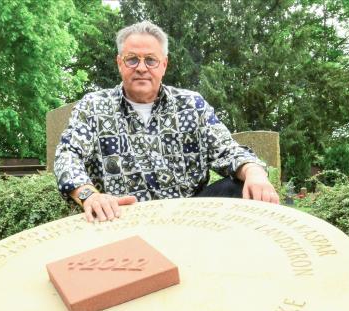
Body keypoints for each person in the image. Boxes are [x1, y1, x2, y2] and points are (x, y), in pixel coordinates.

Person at [54, 21, 279, 222]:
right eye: (132, 59)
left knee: (241, 187)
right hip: (123, 219)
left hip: (190, 218)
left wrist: (254, 172)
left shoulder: (192, 104)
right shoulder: (93, 106)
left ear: (164, 64)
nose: (141, 68)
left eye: (151, 60)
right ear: (119, 63)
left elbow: (228, 151)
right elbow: (68, 155)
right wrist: (89, 195)